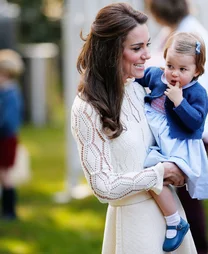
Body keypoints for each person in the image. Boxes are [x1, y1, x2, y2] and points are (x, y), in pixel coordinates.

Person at [70, 3, 197, 253]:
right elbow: (103, 187)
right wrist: (160, 172)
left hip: (170, 216)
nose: (147, 55)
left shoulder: (139, 90)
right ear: (111, 51)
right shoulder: (86, 108)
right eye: (136, 48)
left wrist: (179, 165)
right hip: (134, 226)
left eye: (147, 45)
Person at [145, 1, 208, 252]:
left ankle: (198, 248)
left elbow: (194, 95)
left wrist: (177, 101)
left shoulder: (193, 37)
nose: (173, 72)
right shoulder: (171, 33)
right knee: (166, 189)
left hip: (190, 134)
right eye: (170, 67)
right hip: (169, 133)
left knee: (187, 198)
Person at [0, 49, 24, 220]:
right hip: (5, 137)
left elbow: (8, 120)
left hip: (6, 139)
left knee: (5, 174)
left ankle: (9, 211)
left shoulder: (10, 94)